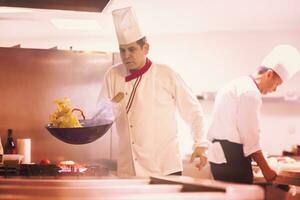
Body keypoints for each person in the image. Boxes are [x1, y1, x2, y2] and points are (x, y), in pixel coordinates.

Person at [99, 7, 208, 177]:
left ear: (146, 48)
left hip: (164, 169)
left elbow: (193, 112)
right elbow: (101, 116)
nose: (126, 55)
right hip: (129, 170)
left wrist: (200, 144)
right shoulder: (113, 74)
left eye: (132, 49)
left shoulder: (166, 74)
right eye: (122, 50)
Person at [207, 44, 300, 184]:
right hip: (232, 159)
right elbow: (250, 138)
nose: (275, 90)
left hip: (219, 158)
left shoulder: (236, 84)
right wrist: (266, 169)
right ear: (269, 74)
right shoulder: (250, 93)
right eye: (277, 84)